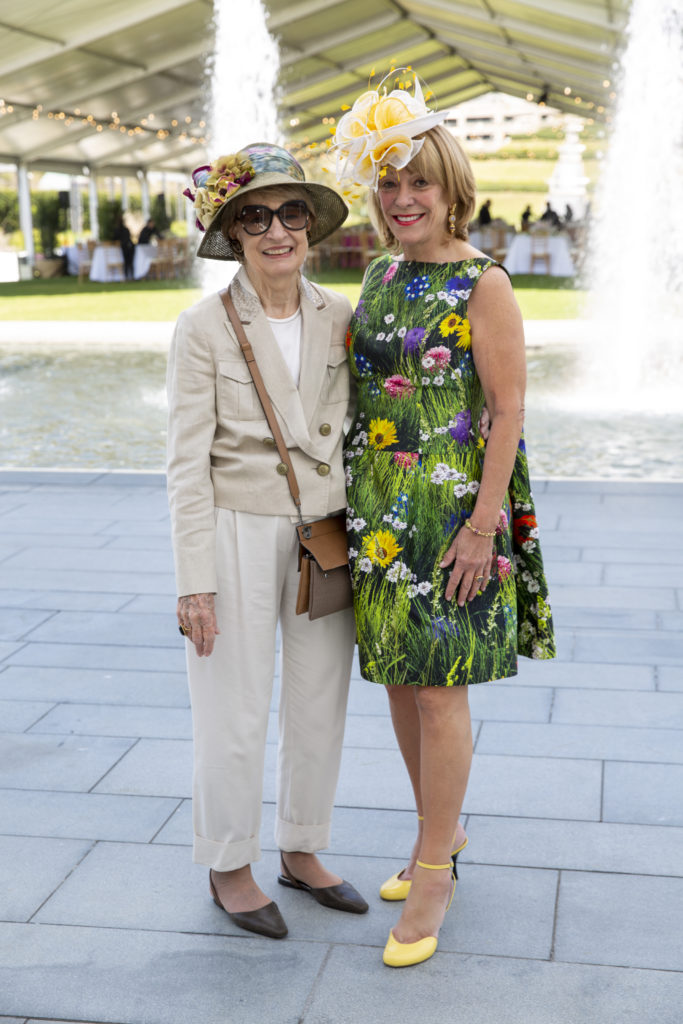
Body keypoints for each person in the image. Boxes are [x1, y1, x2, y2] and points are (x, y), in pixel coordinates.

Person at [332, 73, 555, 967]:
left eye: (417, 182)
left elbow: (507, 412)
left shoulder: (483, 283)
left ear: (448, 186)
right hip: (379, 515)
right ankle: (443, 832)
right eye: (388, 183)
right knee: (395, 679)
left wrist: (479, 527)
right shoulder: (379, 271)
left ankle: (432, 868)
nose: (401, 199)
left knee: (438, 686)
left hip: (453, 513)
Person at [167, 142, 368, 940]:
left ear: (310, 224)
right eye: (255, 216)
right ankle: (227, 863)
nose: (276, 230)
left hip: (325, 531)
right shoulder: (201, 326)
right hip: (235, 530)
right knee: (234, 709)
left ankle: (302, 847)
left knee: (320, 700)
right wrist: (194, 580)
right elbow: (185, 463)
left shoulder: (338, 314)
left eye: (290, 212)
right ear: (232, 231)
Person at [113, 213, 135, 279]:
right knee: (129, 262)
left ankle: (127, 276)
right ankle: (131, 276)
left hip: (125, 246)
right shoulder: (125, 229)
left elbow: (115, 238)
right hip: (129, 246)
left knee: (127, 262)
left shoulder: (118, 230)